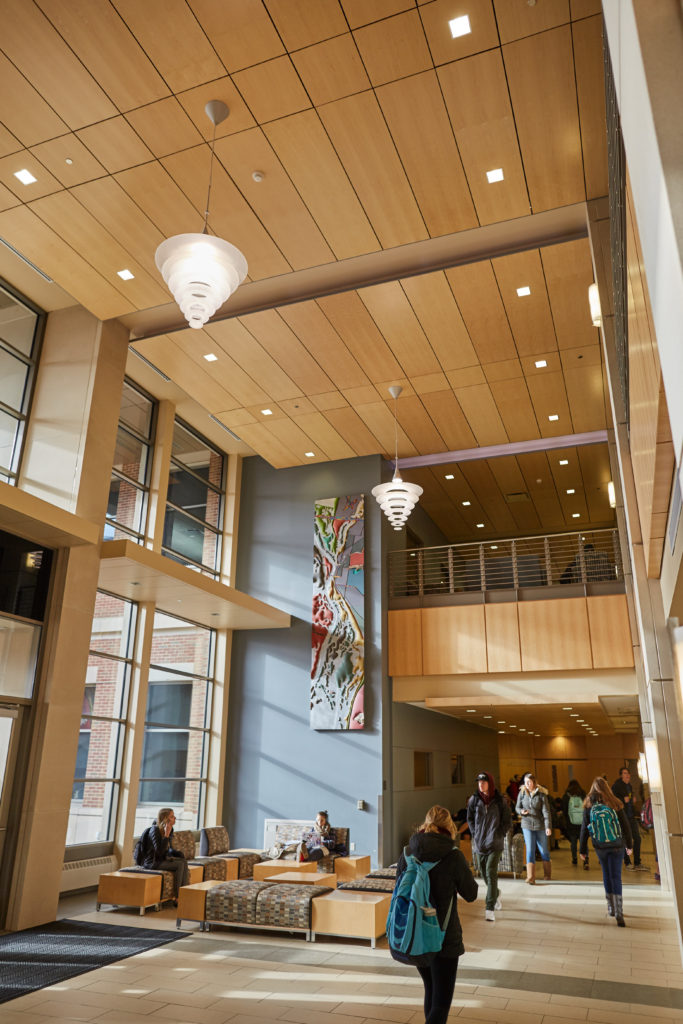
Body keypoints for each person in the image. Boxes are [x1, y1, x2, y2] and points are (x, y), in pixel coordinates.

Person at [396, 805, 477, 1024]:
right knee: (441, 1004)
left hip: (415, 933)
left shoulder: (407, 852)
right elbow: (471, 893)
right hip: (444, 937)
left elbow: (398, 888)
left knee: (430, 990)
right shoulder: (453, 855)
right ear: (449, 826)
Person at [580, 776, 633, 926]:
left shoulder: (589, 804)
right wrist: (629, 845)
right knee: (616, 876)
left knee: (606, 874)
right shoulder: (614, 802)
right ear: (606, 787)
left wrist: (583, 850)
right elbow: (625, 826)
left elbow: (584, 829)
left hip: (600, 847)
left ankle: (610, 907)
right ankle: (619, 911)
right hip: (617, 845)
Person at [466, 771, 511, 922]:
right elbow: (470, 818)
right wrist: (475, 833)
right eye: (478, 782)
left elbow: (507, 821)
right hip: (479, 843)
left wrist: (499, 834)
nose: (480, 784)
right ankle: (496, 893)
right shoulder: (474, 800)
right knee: (483, 872)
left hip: (495, 843)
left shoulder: (500, 801)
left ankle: (489, 907)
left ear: (490, 783)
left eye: (483, 782)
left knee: (491, 872)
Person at [141, 807, 190, 902]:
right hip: (153, 862)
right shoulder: (154, 830)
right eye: (172, 816)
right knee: (180, 864)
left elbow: (168, 848)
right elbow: (159, 852)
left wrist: (178, 854)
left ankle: (184, 893)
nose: (175, 818)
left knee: (183, 861)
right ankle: (178, 897)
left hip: (162, 859)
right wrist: (166, 835)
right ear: (165, 819)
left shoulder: (170, 829)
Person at [515, 772, 552, 884]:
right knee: (530, 849)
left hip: (540, 826)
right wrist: (521, 811)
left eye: (529, 782)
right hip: (527, 825)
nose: (527, 784)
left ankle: (547, 875)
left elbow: (546, 812)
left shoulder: (542, 794)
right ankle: (531, 877)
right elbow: (517, 807)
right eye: (525, 782)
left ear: (534, 782)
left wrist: (548, 827)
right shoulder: (521, 793)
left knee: (543, 850)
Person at [611, 767, 646, 870]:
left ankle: (637, 863)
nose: (627, 775)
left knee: (637, 838)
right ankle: (627, 862)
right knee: (626, 839)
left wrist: (631, 800)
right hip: (622, 817)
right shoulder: (617, 786)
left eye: (628, 773)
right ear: (621, 775)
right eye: (625, 773)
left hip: (631, 816)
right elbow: (613, 800)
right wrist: (623, 799)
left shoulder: (629, 786)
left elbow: (629, 799)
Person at [562, 779, 589, 869]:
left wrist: (567, 820)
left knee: (573, 842)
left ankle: (574, 858)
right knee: (583, 842)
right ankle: (586, 860)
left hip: (571, 823)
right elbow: (587, 807)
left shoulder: (567, 795)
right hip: (582, 823)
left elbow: (564, 810)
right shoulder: (583, 794)